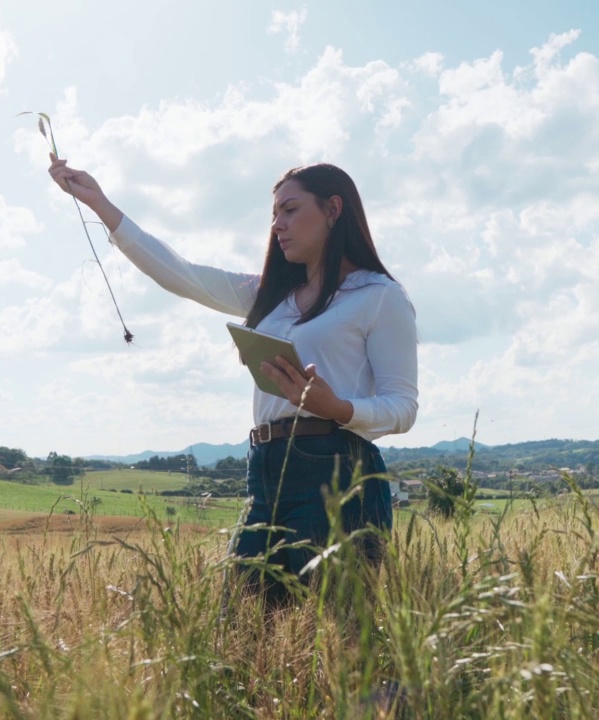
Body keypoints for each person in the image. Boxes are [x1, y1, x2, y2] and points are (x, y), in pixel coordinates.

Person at [48, 156, 418, 604]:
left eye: (290, 210)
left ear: (333, 209)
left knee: (330, 636)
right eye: (274, 214)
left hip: (338, 471)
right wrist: (99, 203)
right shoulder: (271, 294)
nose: (277, 225)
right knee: (240, 627)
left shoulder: (379, 296)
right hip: (264, 470)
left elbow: (403, 407)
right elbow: (182, 275)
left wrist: (338, 408)